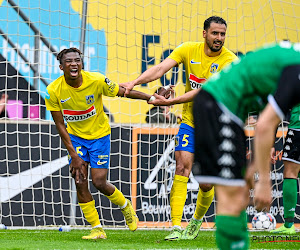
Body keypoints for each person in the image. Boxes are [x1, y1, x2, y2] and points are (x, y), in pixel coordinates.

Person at [149, 40, 300, 249]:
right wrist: (264, 181)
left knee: (234, 189)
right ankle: (182, 226)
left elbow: (266, 119)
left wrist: (256, 167)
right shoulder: (296, 70)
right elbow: (265, 125)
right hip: (217, 104)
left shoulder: (291, 61)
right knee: (231, 193)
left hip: (230, 110)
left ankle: (213, 231)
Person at [121, 16, 237, 241]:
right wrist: (134, 83)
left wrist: (168, 103)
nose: (219, 38)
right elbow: (161, 68)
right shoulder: (188, 50)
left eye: (222, 34)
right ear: (204, 33)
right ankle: (175, 226)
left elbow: (204, 91)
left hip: (215, 125)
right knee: (181, 166)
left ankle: (195, 221)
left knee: (205, 182)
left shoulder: (229, 60)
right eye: (215, 33)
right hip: (190, 122)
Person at [45, 47, 153, 240]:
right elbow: (60, 125)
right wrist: (74, 156)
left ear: (82, 63)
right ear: (61, 67)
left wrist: (150, 98)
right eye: (69, 61)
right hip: (76, 138)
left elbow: (122, 91)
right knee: (79, 180)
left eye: (77, 60)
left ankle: (125, 206)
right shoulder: (53, 91)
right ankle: (97, 228)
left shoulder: (96, 80)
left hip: (99, 136)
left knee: (99, 182)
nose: (74, 64)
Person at [271, 104, 300, 234]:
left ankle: (289, 225)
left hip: (298, 128)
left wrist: (271, 143)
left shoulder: (291, 83)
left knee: (290, 172)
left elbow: (277, 108)